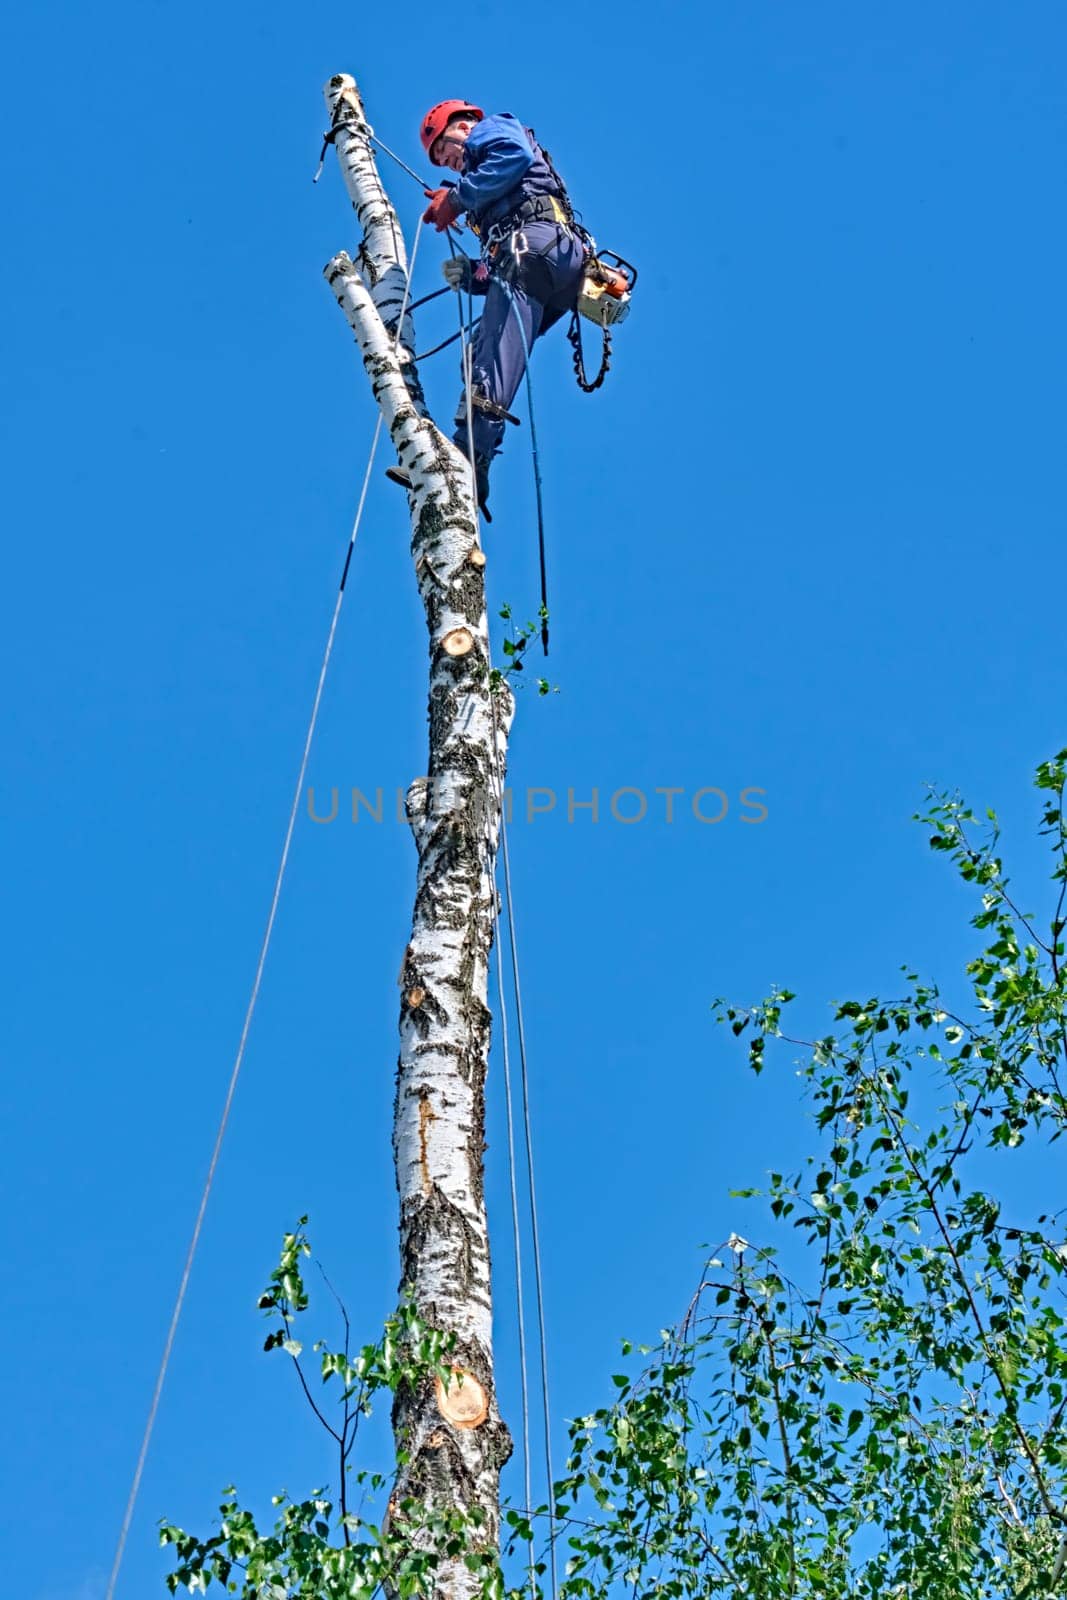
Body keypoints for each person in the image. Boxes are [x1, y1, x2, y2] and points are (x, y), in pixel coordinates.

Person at [392, 100, 587, 520]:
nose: (450, 162)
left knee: (490, 359)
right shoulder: (488, 191)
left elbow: (513, 156)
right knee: (488, 353)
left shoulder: (491, 132)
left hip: (538, 248)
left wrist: (457, 199)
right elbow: (505, 261)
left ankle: (465, 458)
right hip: (548, 264)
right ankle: (474, 458)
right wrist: (472, 276)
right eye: (444, 162)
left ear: (462, 125)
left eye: (446, 149)